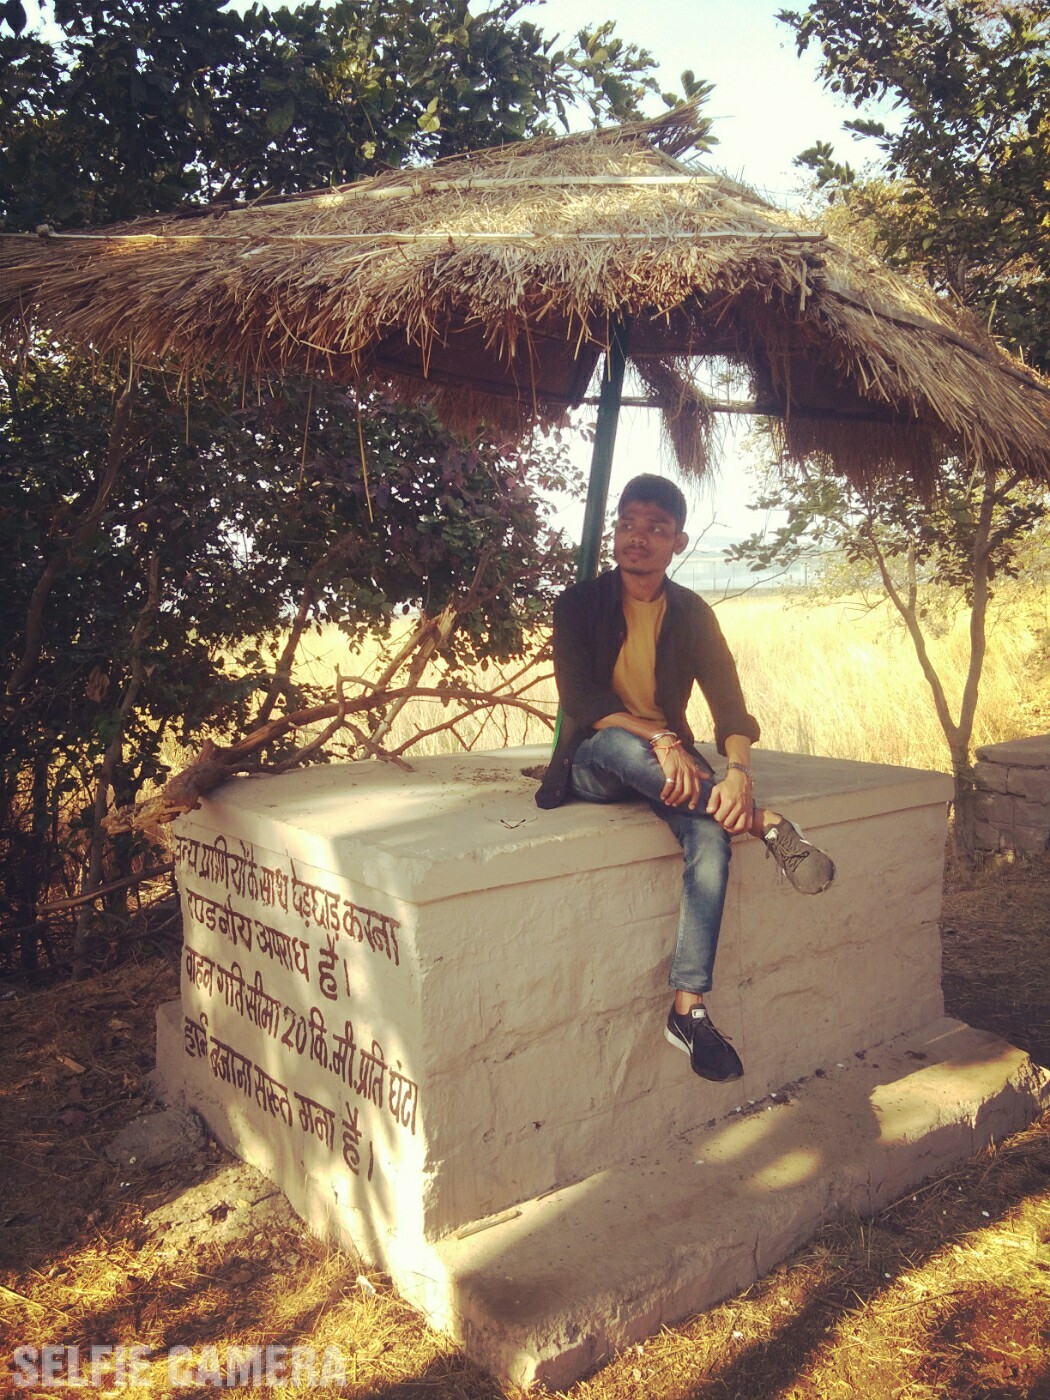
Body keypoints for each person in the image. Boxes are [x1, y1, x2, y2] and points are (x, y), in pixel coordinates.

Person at [536, 474, 834, 1083]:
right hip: (597, 761)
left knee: (710, 836)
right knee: (617, 743)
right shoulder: (578, 604)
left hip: (670, 768)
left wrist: (739, 773)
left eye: (656, 528)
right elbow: (583, 700)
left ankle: (687, 1009)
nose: (637, 537)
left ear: (678, 541)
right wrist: (661, 737)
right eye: (627, 524)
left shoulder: (693, 614)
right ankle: (766, 826)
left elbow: (730, 706)